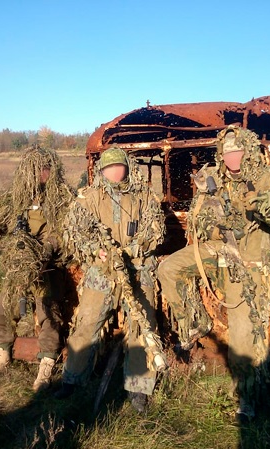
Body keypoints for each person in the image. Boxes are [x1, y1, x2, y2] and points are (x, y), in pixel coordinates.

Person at [157, 125, 270, 420]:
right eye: (227, 153)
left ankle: (248, 396)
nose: (232, 158)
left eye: (237, 151)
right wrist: (207, 200)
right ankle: (197, 323)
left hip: (250, 261)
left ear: (248, 151)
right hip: (217, 249)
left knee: (244, 334)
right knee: (169, 268)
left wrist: (257, 204)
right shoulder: (215, 177)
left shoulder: (268, 178)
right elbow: (199, 221)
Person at [54, 147, 167, 413]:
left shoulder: (145, 196)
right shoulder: (90, 198)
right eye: (109, 168)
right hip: (102, 273)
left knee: (141, 327)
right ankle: (72, 380)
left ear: (127, 168)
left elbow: (156, 232)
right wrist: (97, 250)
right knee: (87, 323)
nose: (115, 172)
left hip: (138, 272)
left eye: (119, 166)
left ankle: (138, 388)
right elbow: (72, 232)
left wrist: (133, 251)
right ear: (101, 171)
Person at [0, 145, 75, 392]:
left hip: (48, 266)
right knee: (5, 306)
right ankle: (1, 353)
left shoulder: (61, 197)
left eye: (45, 169)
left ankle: (47, 360)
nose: (41, 174)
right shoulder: (17, 197)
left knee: (47, 310)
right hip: (20, 266)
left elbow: (64, 232)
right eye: (37, 170)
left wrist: (45, 251)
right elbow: (1, 229)